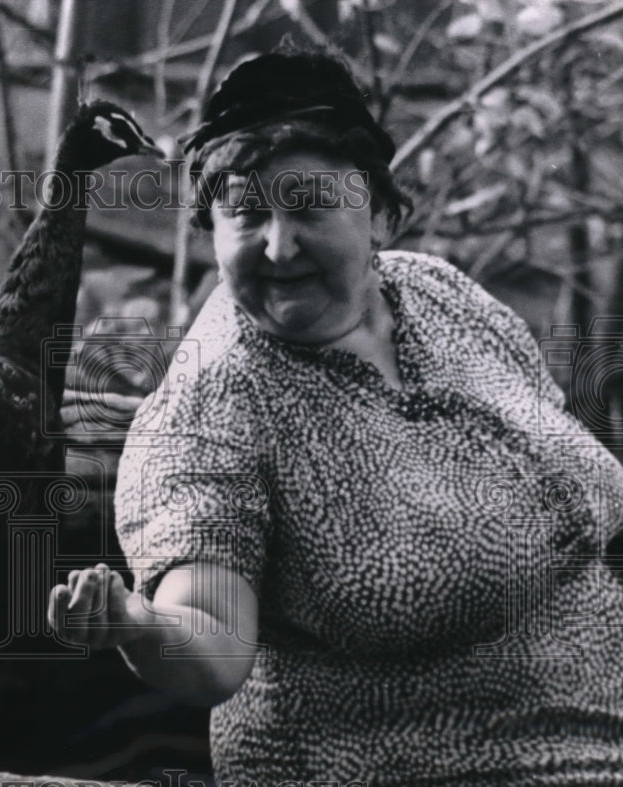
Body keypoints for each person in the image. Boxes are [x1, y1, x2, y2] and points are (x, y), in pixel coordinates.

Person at [48, 46, 623, 785]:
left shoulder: (440, 293)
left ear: (380, 214)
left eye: (310, 207)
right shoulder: (216, 401)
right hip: (434, 763)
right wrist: (134, 624)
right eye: (247, 212)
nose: (279, 244)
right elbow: (214, 642)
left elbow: (569, 469)